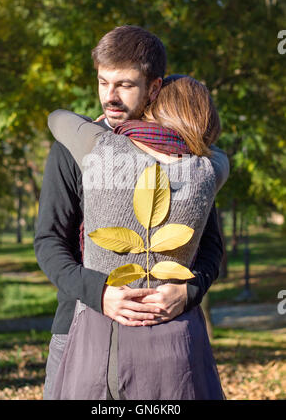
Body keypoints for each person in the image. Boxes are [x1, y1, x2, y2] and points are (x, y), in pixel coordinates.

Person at [34, 26, 225, 400]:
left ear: (153, 88)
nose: (110, 96)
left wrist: (189, 291)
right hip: (79, 324)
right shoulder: (73, 149)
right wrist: (99, 292)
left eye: (124, 84)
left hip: (166, 335)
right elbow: (49, 242)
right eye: (103, 82)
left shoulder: (187, 157)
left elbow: (211, 248)